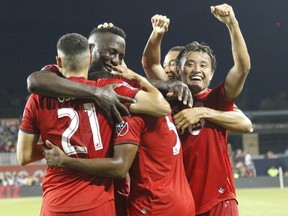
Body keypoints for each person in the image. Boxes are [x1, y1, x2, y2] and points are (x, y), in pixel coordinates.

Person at [17, 32, 171, 215]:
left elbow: (24, 156)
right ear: (90, 58)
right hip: (97, 202)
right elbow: (162, 107)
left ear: (58, 62)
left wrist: (54, 148)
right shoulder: (110, 89)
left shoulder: (38, 98)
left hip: (55, 203)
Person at [142, 4, 251, 215]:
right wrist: (157, 34)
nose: (197, 69)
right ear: (179, 70)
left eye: (203, 65)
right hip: (180, 202)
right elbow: (150, 63)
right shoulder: (169, 99)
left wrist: (232, 24)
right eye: (190, 64)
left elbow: (243, 67)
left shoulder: (217, 98)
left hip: (218, 200)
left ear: (211, 74)